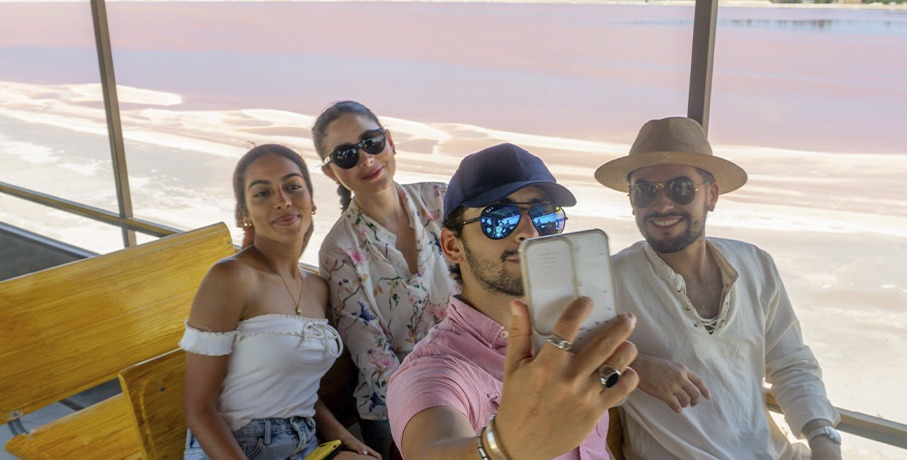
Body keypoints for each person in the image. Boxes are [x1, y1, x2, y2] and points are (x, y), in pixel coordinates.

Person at [594, 117, 842, 460]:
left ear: (711, 195)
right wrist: (637, 367)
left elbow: (791, 363)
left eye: (680, 188)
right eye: (645, 191)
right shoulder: (608, 279)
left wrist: (824, 438)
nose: (661, 205)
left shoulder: (756, 265)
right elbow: (567, 356)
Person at [386, 143, 639, 459]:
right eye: (500, 218)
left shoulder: (568, 339)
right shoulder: (435, 370)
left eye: (544, 216)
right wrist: (505, 447)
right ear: (453, 246)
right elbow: (431, 448)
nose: (529, 231)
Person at [181, 144, 378, 460]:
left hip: (303, 441)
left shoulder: (317, 287)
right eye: (262, 193)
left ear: (311, 201)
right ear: (244, 214)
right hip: (235, 446)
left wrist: (342, 436)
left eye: (293, 187)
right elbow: (200, 409)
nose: (283, 201)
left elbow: (296, 386)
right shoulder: (231, 278)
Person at [312, 101, 457, 459]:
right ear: (331, 172)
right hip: (402, 405)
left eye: (372, 142)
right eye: (346, 155)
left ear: (390, 141)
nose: (366, 158)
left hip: (476, 375)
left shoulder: (441, 201)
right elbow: (377, 363)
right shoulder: (339, 251)